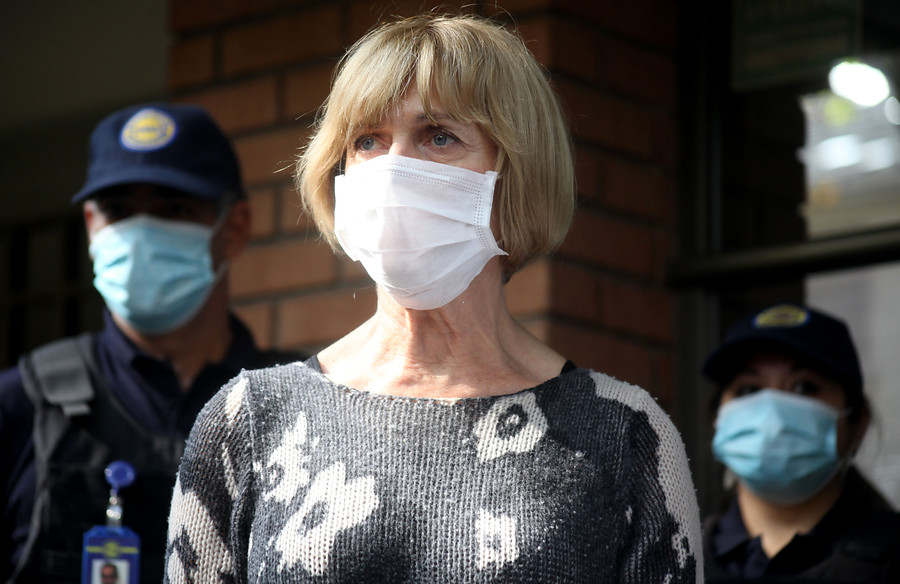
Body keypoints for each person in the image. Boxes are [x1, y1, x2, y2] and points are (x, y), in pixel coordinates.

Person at [163, 13, 702, 583]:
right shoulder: (247, 419)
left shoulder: (625, 434)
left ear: (517, 174)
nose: (394, 168)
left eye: (439, 137)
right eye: (367, 141)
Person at [0, 103, 301, 584]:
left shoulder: (301, 405)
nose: (139, 233)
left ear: (235, 228)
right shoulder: (21, 405)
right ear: (91, 226)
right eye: (118, 210)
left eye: (173, 209)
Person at [701, 303, 900, 582]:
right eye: (748, 389)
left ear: (857, 424)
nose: (771, 414)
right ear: (717, 417)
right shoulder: (667, 561)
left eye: (804, 386)